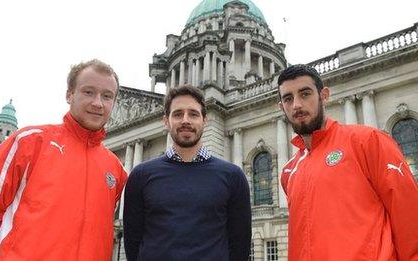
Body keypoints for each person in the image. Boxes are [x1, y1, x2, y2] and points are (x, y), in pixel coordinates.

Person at [0, 59, 127, 260]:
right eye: (88, 92)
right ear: (69, 94)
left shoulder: (115, 168)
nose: (97, 103)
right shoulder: (30, 141)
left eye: (107, 96)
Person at [278, 64, 418, 260]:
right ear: (281, 107)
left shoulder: (368, 140)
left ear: (324, 95)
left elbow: (410, 219)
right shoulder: (289, 171)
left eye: (305, 94)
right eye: (288, 99)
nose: (297, 105)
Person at [123, 85, 251, 261]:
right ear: (166, 121)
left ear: (205, 120)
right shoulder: (140, 176)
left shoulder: (233, 176)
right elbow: (133, 241)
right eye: (177, 114)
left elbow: (239, 244)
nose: (185, 120)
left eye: (193, 114)